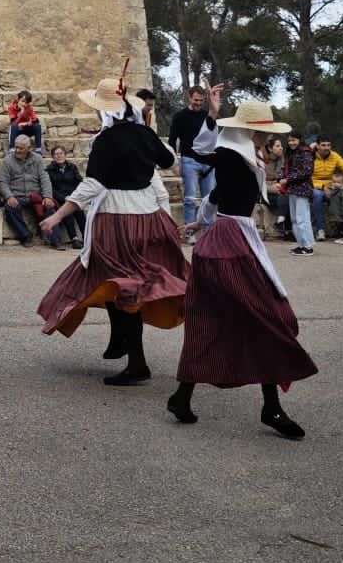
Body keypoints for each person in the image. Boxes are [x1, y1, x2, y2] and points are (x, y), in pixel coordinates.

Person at [167, 87, 314, 439]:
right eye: (263, 131)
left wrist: (200, 220)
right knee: (267, 317)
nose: (266, 137)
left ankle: (182, 397)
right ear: (252, 130)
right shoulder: (231, 153)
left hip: (229, 238)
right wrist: (213, 117)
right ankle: (271, 408)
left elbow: (217, 193)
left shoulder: (245, 154)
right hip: (229, 244)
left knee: (215, 320)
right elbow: (202, 153)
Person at [35, 77, 189, 385]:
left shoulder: (106, 140)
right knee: (118, 285)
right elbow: (171, 161)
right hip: (149, 217)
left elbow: (93, 185)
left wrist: (58, 215)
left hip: (118, 221)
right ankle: (122, 342)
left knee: (121, 286)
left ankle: (136, 361)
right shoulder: (144, 133)